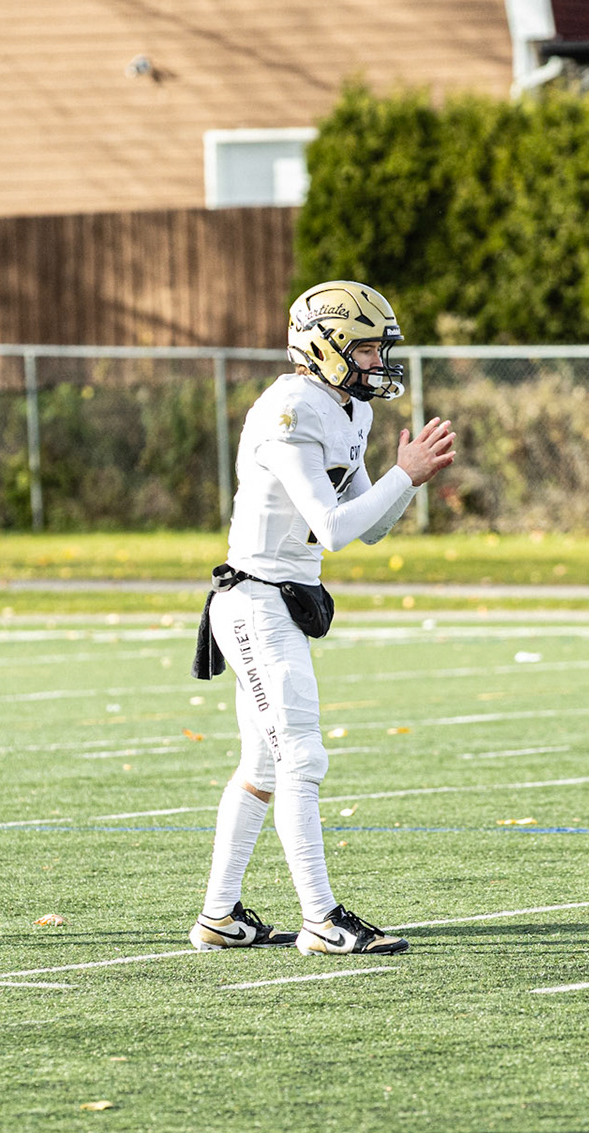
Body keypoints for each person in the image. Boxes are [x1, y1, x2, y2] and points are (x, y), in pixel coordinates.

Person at [189, 281, 455, 957]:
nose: (376, 361)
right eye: (365, 348)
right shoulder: (291, 409)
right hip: (255, 600)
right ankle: (322, 920)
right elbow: (332, 528)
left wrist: (406, 480)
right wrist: (404, 476)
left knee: (263, 764)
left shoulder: (347, 408)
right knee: (301, 756)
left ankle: (219, 917)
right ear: (325, 347)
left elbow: (370, 528)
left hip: (277, 601)